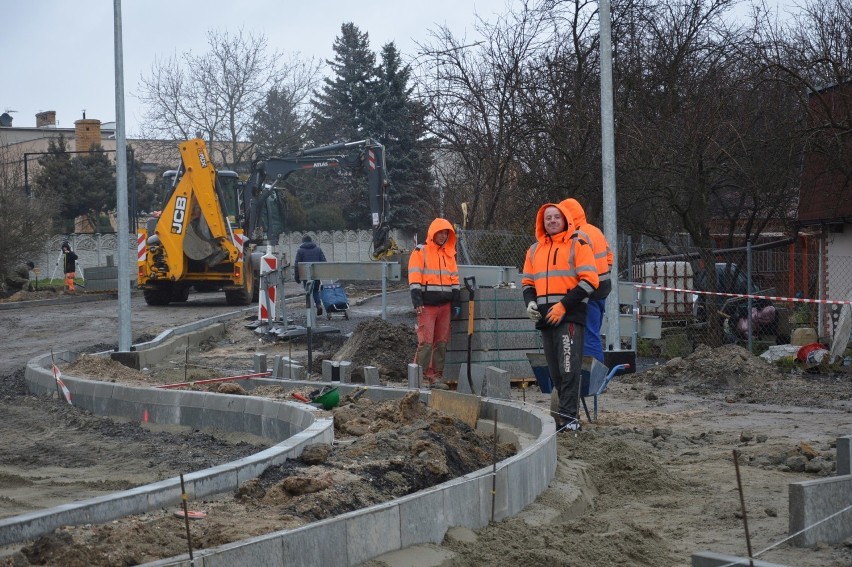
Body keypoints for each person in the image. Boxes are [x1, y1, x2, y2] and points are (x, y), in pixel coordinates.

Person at [522, 202, 598, 431]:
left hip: (570, 317)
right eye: (548, 218)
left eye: (556, 217)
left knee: (568, 369)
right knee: (555, 371)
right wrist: (531, 303)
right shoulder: (534, 250)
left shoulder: (578, 245)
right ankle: (563, 418)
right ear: (542, 222)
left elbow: (590, 281)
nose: (552, 221)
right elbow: (527, 283)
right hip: (546, 319)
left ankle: (570, 420)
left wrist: (563, 306)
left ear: (565, 219)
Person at [408, 218, 461, 389]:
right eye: (441, 233)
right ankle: (417, 377)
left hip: (445, 305)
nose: (443, 236)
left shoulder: (449, 254)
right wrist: (417, 300)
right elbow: (414, 277)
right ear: (433, 233)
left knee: (441, 342)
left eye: (446, 233)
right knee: (426, 342)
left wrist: (456, 301)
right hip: (427, 305)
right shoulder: (420, 251)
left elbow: (455, 280)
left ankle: (435, 377)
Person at [560, 198, 613, 363]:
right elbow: (609, 256)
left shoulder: (576, 235)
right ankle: (593, 376)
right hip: (602, 288)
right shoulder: (594, 230)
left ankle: (592, 378)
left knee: (588, 335)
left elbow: (575, 266)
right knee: (593, 332)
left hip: (588, 289)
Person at [293, 235, 327, 316]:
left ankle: (309, 312)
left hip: (305, 275)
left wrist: (297, 277)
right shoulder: (318, 249)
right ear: (311, 241)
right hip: (316, 274)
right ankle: (318, 305)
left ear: (303, 241)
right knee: (315, 290)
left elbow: (297, 265)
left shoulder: (300, 251)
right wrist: (322, 274)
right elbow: (324, 262)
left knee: (308, 292)